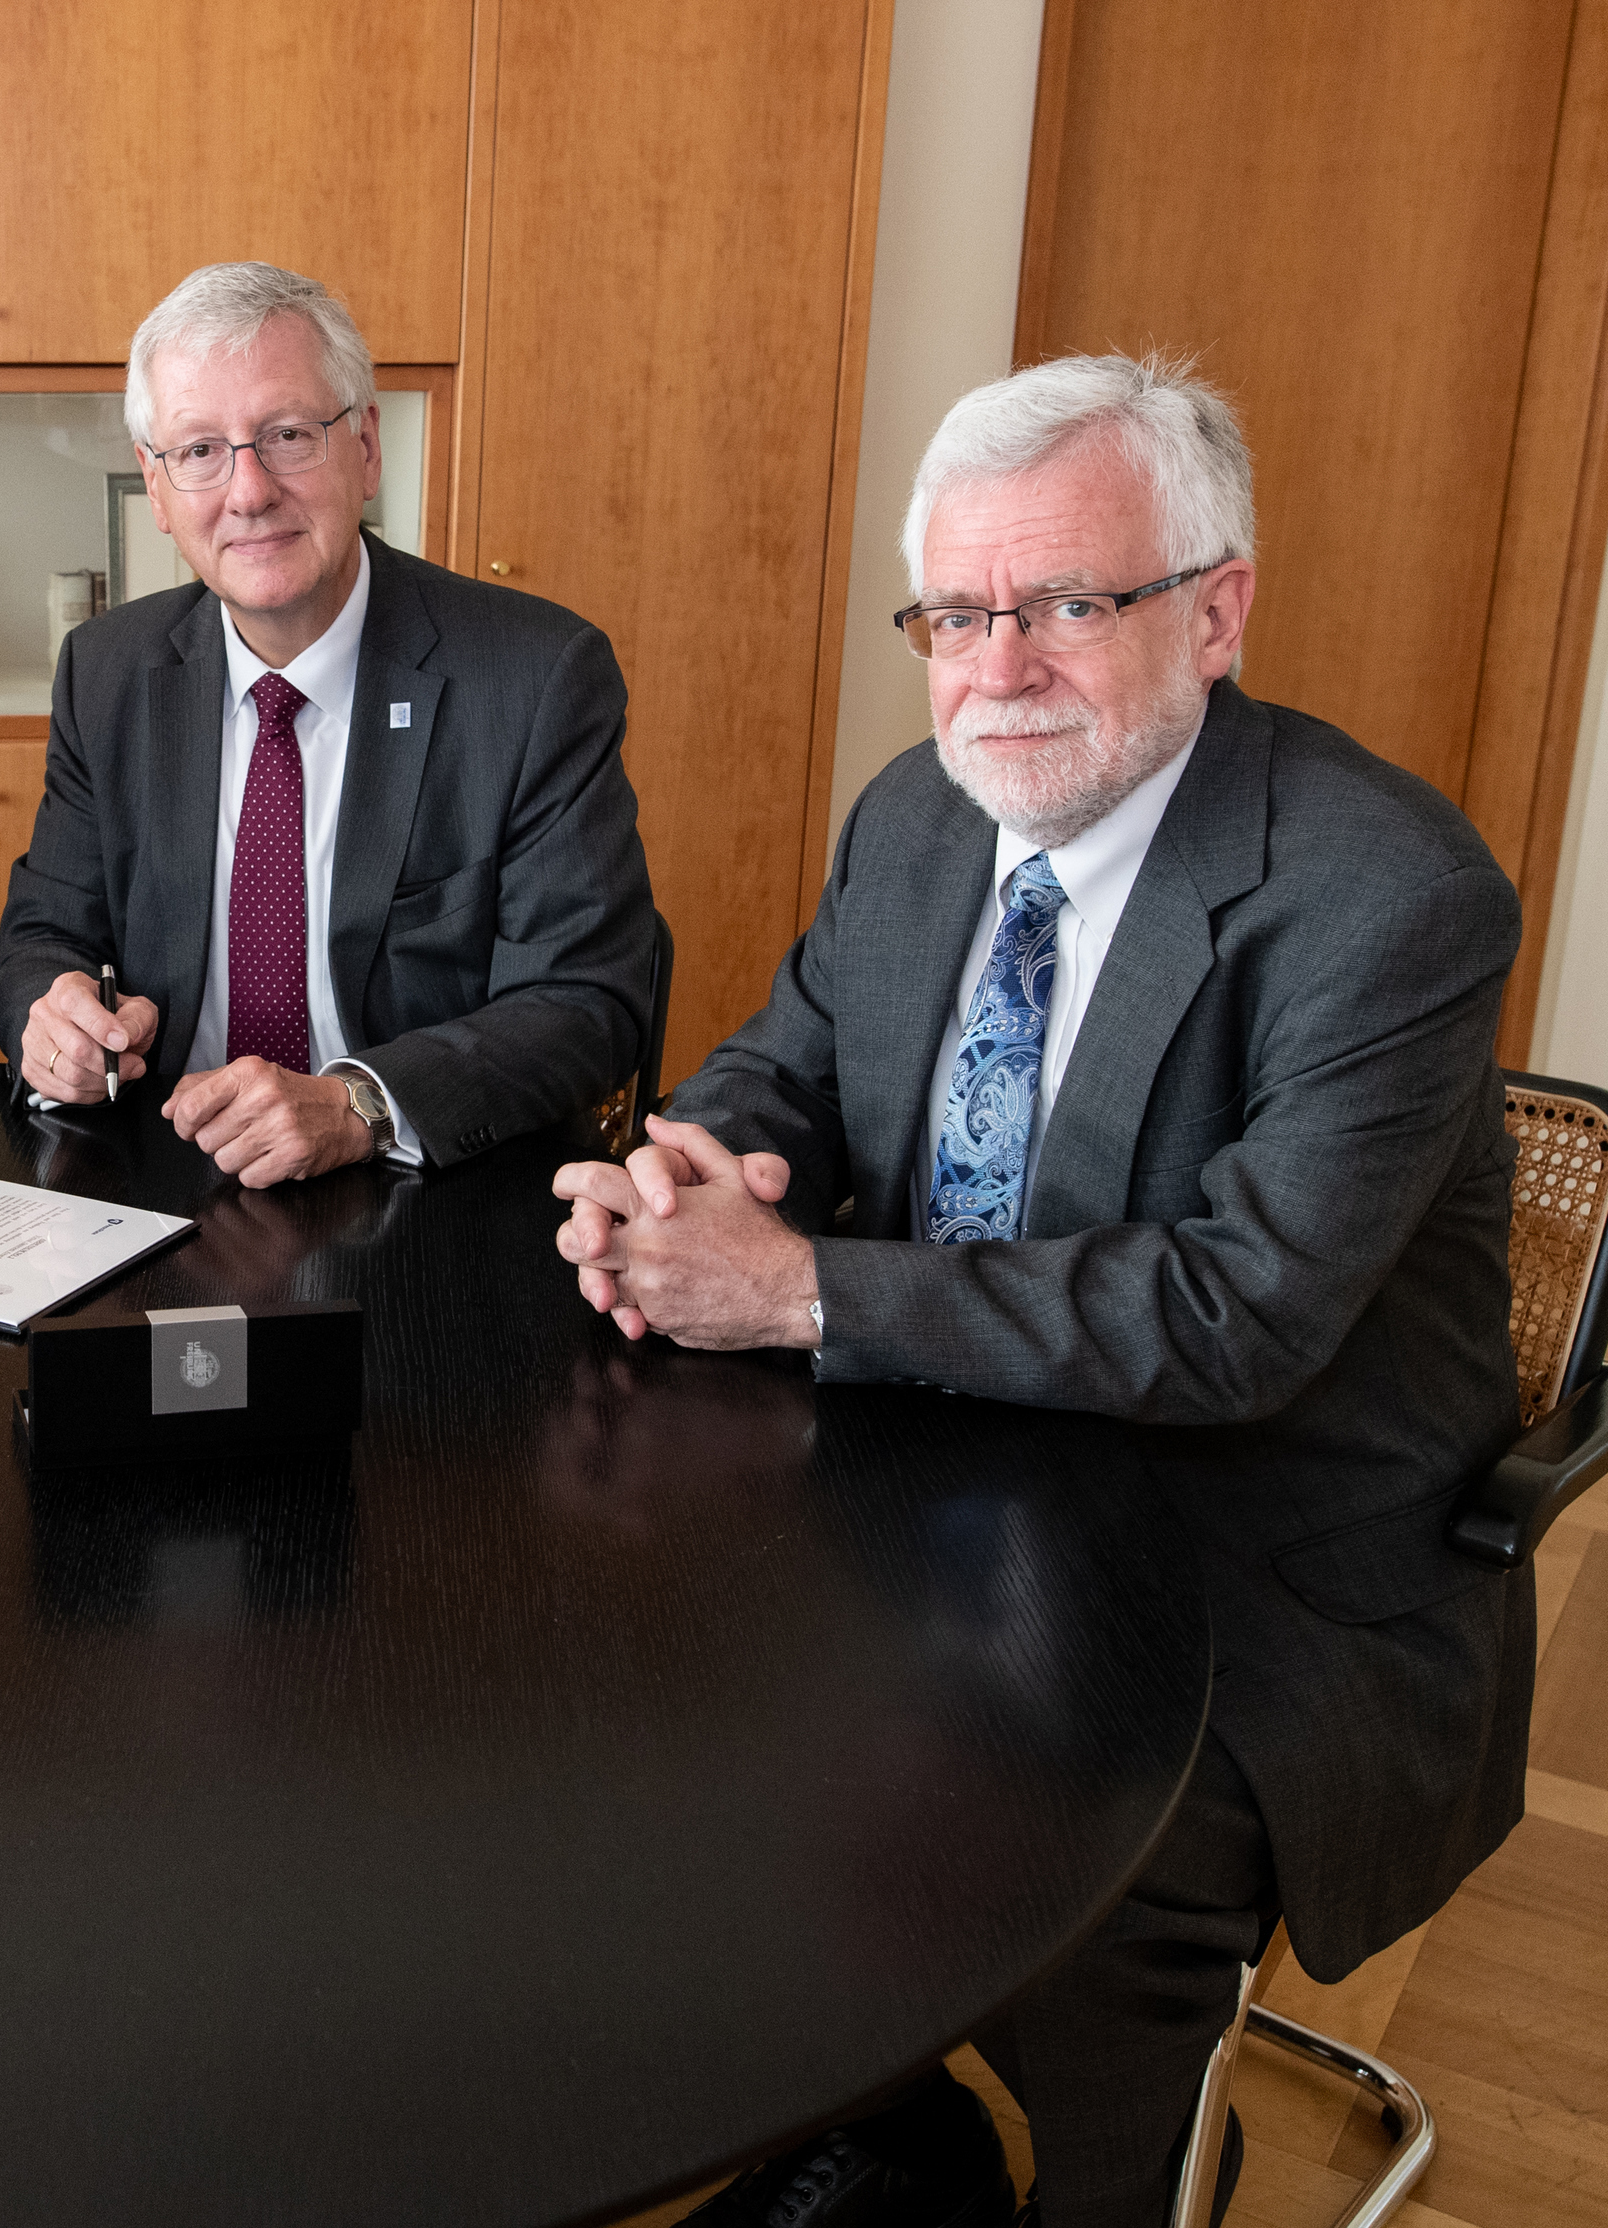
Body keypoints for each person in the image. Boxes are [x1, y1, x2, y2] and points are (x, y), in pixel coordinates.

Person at [551, 356, 1530, 2228]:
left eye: (1067, 604)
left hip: (1250, 1546)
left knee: (1058, 1853)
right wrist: (707, 1161)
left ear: (1214, 608)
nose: (996, 666)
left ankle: (1129, 2168)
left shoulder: (1388, 891)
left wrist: (798, 1292)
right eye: (955, 612)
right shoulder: (922, 818)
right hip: (941, 1473)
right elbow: (794, 1059)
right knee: (649, 1695)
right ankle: (874, 2106)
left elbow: (1238, 1310)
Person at [0, 261, 655, 1187]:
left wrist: (362, 1103)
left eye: (289, 435)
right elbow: (43, 934)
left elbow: (587, 1002)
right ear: (156, 483)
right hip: (169, 1174)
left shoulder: (536, 677)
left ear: (367, 447)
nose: (249, 491)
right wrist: (55, 1011)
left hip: (427, 1191)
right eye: (200, 451)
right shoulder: (108, 672)